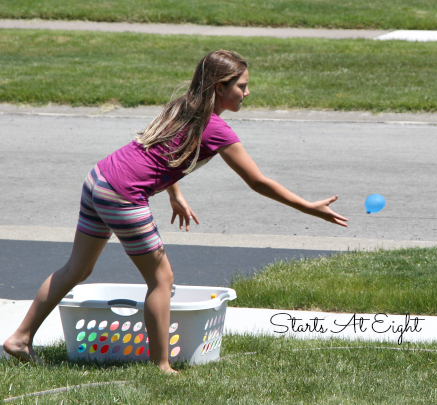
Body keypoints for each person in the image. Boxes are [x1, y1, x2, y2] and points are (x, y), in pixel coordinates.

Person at [2, 50, 348, 373]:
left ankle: (20, 339)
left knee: (77, 268)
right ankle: (162, 367)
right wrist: (308, 207)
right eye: (242, 86)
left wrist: (174, 194)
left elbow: (163, 153)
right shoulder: (216, 128)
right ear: (219, 87)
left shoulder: (184, 106)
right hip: (123, 194)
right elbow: (257, 182)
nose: (247, 92)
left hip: (100, 179)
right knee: (161, 279)